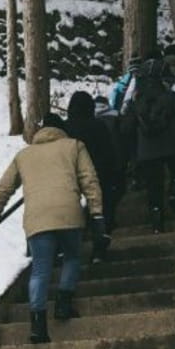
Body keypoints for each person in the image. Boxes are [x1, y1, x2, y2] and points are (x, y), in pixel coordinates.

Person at [0, 114, 103, 345]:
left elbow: (3, 187)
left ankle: (38, 325)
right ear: (61, 129)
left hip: (37, 218)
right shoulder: (74, 146)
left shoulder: (24, 155)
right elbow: (90, 180)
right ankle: (64, 304)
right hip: (68, 213)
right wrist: (97, 212)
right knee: (72, 257)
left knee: (40, 269)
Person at [121, 57, 175, 233]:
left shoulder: (136, 99)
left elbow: (126, 127)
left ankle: (156, 220)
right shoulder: (170, 96)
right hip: (173, 145)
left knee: (154, 185)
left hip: (147, 150)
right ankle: (174, 192)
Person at [64, 90, 117, 258]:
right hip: (98, 172)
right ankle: (99, 245)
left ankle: (68, 246)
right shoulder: (98, 125)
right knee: (99, 209)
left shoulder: (65, 128)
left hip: (71, 174)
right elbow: (108, 151)